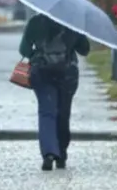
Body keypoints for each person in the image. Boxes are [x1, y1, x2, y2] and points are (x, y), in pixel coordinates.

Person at [18, 13, 90, 171]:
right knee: (63, 113)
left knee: (46, 111)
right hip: (67, 74)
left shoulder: (35, 22)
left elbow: (23, 49)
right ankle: (62, 154)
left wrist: (36, 56)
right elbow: (84, 50)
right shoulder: (72, 21)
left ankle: (49, 153)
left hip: (42, 72)